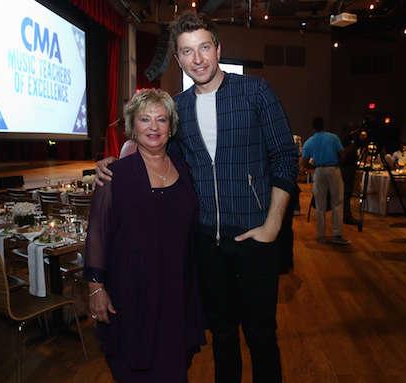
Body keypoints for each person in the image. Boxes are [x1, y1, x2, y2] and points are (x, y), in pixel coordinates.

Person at [96, 11, 299, 383]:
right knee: (221, 337)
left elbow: (286, 157)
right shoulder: (179, 108)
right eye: (188, 52)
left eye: (204, 47)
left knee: (261, 337)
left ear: (218, 48)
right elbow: (151, 146)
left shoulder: (255, 91)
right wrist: (116, 159)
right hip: (205, 245)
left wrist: (272, 226)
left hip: (256, 238)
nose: (198, 59)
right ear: (178, 59)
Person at [83, 88, 206, 382]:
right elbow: (97, 234)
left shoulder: (185, 168)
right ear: (132, 126)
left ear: (171, 127)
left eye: (161, 120)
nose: (153, 127)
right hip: (132, 293)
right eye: (145, 119)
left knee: (175, 368)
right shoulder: (115, 173)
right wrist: (95, 289)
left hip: (178, 290)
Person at [302, 117, 350, 245]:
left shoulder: (308, 142)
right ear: (323, 125)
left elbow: (305, 163)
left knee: (320, 204)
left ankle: (321, 235)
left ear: (313, 127)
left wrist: (316, 166)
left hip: (319, 171)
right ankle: (337, 234)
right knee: (337, 202)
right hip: (333, 169)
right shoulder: (333, 137)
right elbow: (343, 156)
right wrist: (335, 164)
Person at [340, 123, 360, 224]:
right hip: (346, 168)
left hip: (351, 168)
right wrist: (354, 140)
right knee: (346, 193)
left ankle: (347, 215)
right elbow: (347, 154)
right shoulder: (345, 140)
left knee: (348, 192)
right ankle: (346, 216)